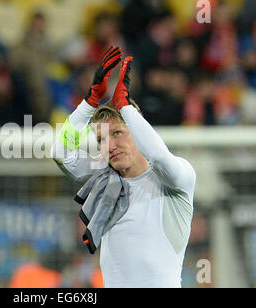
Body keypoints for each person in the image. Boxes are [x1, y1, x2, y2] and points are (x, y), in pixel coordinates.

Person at [51, 47, 196, 288]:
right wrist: (90, 103)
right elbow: (59, 153)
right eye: (101, 139)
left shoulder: (176, 180)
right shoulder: (105, 180)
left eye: (117, 133)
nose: (110, 145)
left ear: (137, 131)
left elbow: (159, 157)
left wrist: (125, 107)